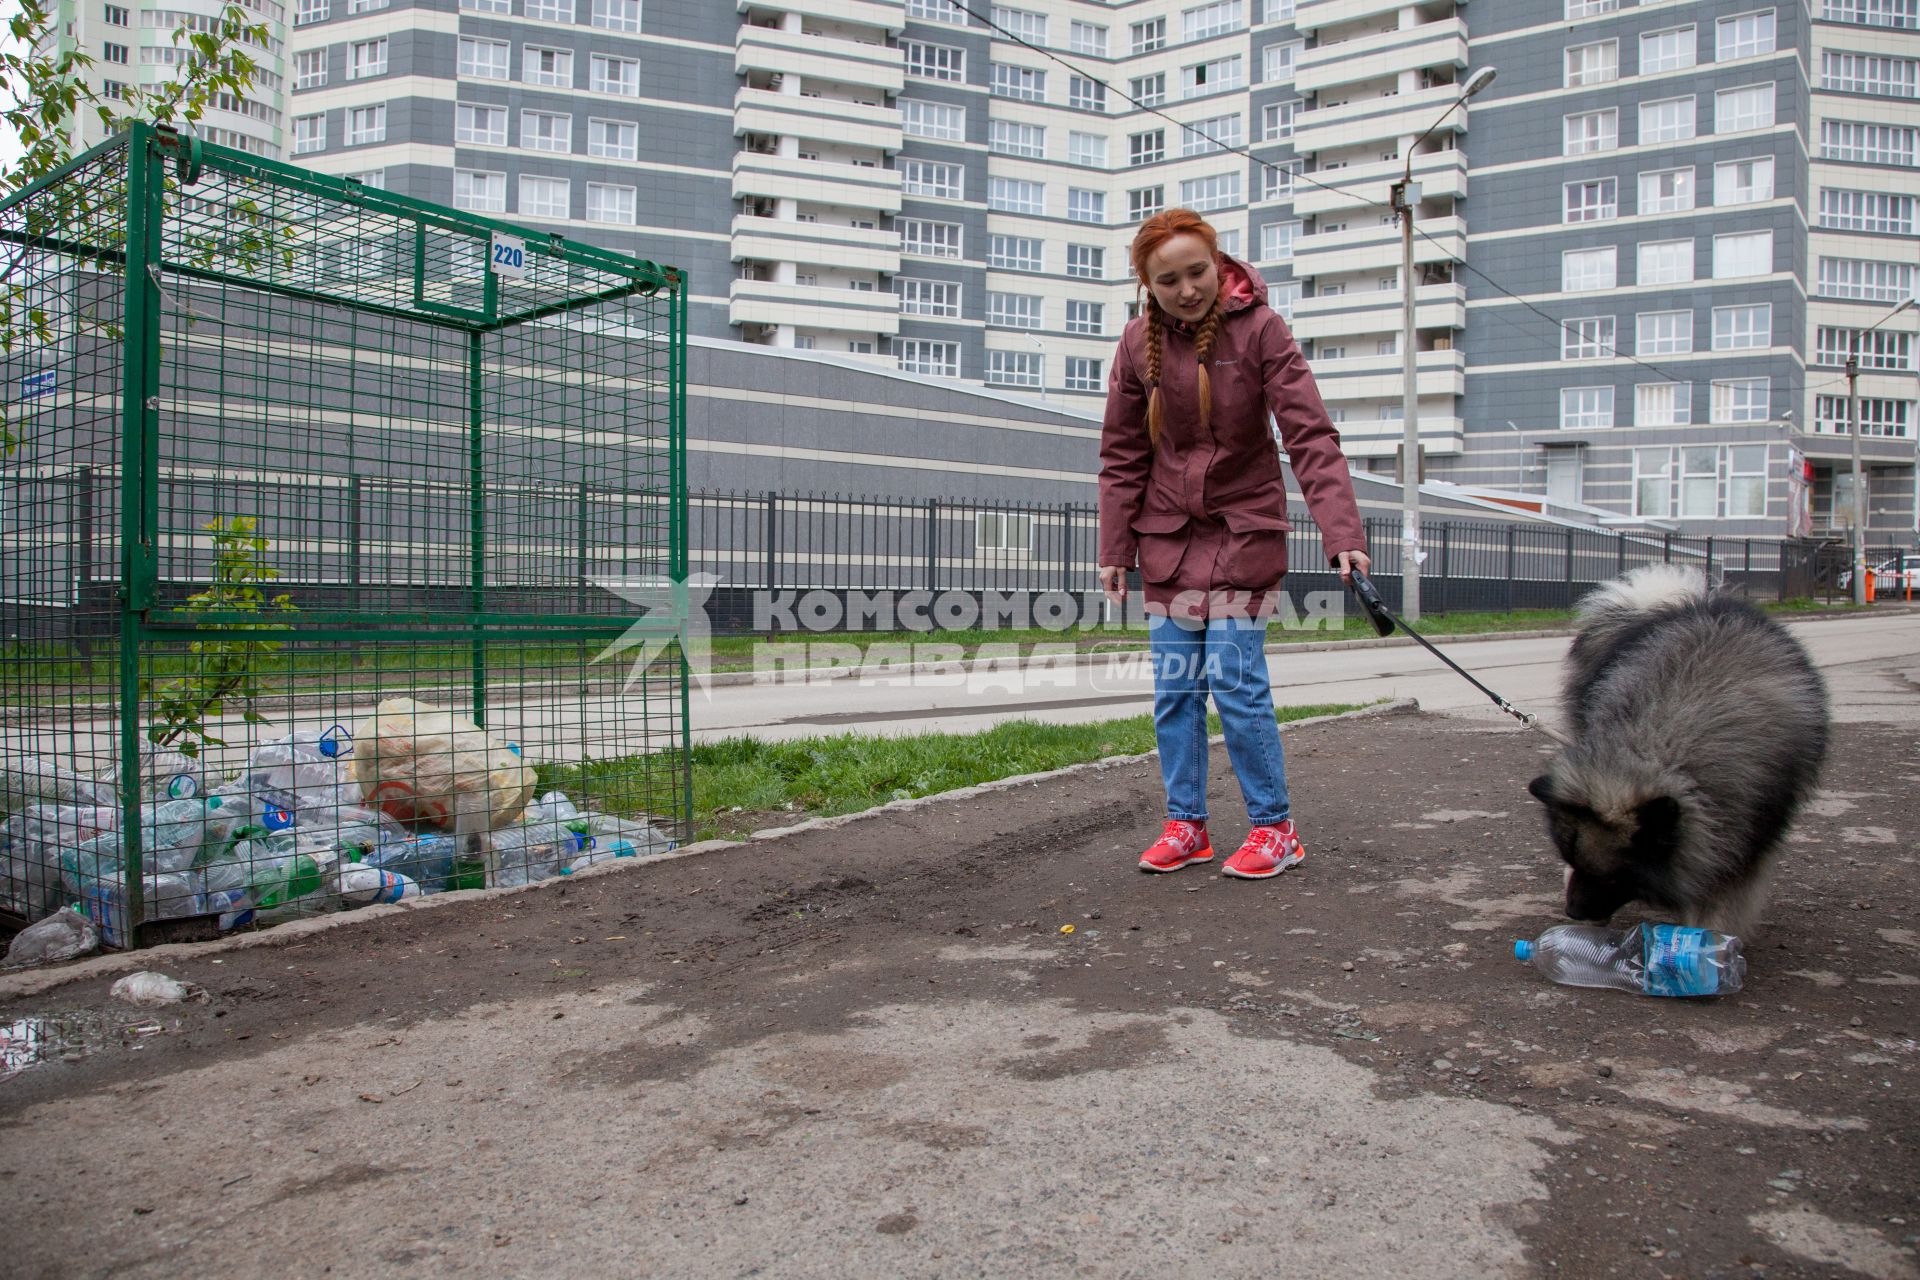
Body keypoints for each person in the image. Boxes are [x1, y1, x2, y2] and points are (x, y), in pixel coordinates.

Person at [1098, 208, 1372, 881]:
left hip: (1244, 530)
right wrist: (1114, 547)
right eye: (1170, 280)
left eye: (1198, 272)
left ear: (1218, 265)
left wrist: (1342, 533)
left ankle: (1275, 828)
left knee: (1234, 679)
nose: (1189, 288)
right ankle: (1186, 825)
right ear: (1148, 286)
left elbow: (1309, 435)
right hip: (1168, 536)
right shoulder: (1138, 345)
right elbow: (1123, 452)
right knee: (1175, 687)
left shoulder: (1261, 330)